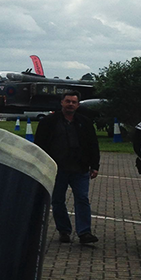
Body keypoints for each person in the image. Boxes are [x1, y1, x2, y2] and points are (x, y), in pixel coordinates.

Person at [35, 91, 100, 244]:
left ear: (78, 105)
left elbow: (93, 145)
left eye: (74, 102)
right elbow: (39, 144)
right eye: (68, 101)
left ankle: (84, 232)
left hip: (80, 168)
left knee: (82, 199)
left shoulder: (85, 122)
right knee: (57, 200)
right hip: (57, 168)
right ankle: (64, 230)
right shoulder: (48, 122)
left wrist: (95, 165)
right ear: (62, 103)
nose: (71, 104)